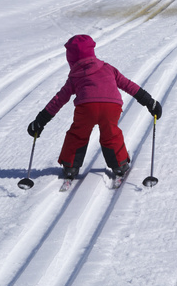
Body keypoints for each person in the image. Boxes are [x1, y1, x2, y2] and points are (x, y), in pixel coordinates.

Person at [29, 34, 161, 182]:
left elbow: (59, 100)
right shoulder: (108, 68)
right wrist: (150, 102)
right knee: (111, 134)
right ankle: (120, 165)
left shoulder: (74, 76)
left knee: (78, 134)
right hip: (111, 106)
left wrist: (40, 120)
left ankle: (71, 167)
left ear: (70, 58)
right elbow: (128, 85)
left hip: (86, 108)